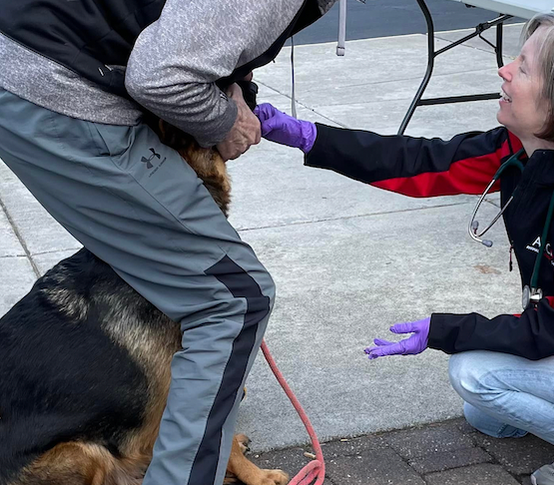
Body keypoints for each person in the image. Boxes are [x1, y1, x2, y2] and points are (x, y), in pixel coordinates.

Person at [254, 12, 554, 485]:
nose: (503, 70)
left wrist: (444, 330)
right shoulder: (523, 150)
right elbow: (419, 162)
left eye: (522, 67)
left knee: (474, 374)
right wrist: (311, 138)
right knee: (485, 414)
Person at [0, 1, 336, 484]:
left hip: (34, 65)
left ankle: (201, 442)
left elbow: (199, 43)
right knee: (234, 299)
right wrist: (225, 122)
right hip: (56, 85)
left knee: (204, 286)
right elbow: (162, 78)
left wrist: (235, 91)